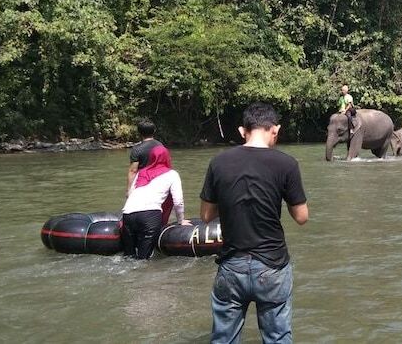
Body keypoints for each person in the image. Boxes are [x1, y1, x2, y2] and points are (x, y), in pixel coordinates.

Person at [200, 102, 309, 344]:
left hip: (231, 266)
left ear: (242, 131)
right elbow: (302, 217)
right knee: (277, 337)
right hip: (273, 267)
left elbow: (206, 216)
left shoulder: (218, 163)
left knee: (223, 339)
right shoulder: (287, 164)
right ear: (275, 130)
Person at [121, 144, 190, 259]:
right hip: (150, 215)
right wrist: (181, 221)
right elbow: (178, 201)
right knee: (144, 259)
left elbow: (131, 195)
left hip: (128, 214)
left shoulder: (140, 173)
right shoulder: (172, 174)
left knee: (129, 257)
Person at [127, 119, 163, 194]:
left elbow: (133, 171)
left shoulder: (137, 149)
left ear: (139, 132)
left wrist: (129, 190)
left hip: (142, 183)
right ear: (154, 131)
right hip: (159, 182)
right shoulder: (161, 146)